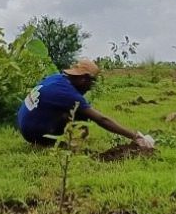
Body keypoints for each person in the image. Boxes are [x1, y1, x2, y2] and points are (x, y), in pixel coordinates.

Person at [16, 59, 155, 149]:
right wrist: (135, 136)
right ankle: (48, 143)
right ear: (84, 79)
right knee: (83, 112)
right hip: (32, 132)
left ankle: (67, 140)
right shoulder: (68, 94)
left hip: (25, 123)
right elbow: (101, 119)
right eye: (91, 82)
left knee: (78, 113)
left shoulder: (56, 78)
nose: (91, 87)